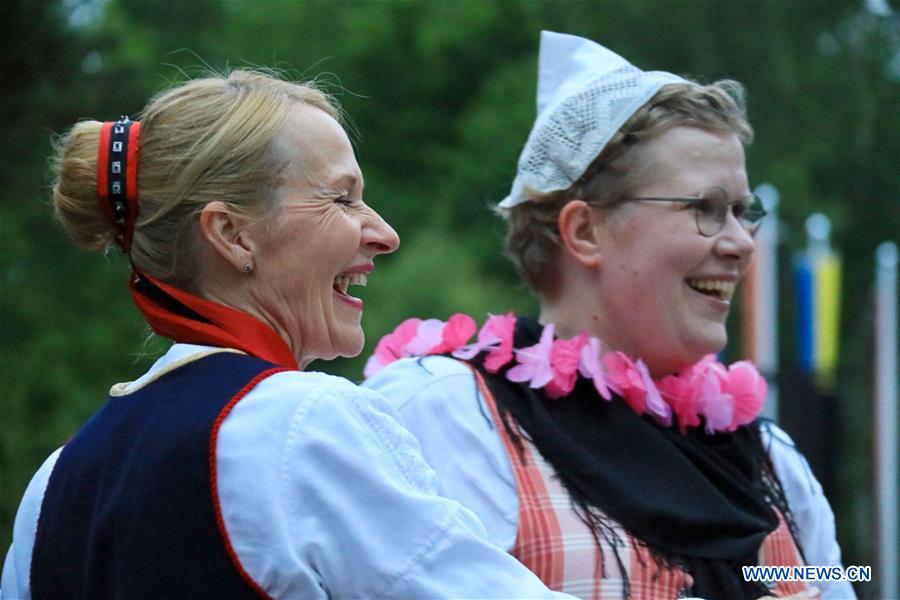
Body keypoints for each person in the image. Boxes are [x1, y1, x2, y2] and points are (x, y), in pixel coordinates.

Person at [0, 69, 573, 599]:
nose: (384, 233)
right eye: (341, 198)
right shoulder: (301, 424)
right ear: (232, 235)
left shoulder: (53, 485)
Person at [363, 32, 853, 599]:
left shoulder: (774, 463)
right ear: (585, 230)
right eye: (706, 208)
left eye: (744, 212)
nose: (742, 242)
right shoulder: (446, 416)